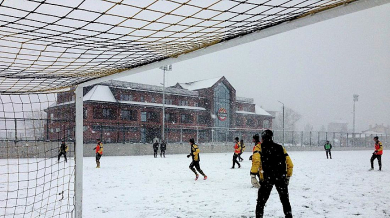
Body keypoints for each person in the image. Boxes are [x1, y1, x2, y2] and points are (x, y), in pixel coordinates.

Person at [251, 130, 294, 218]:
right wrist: (288, 176)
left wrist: (253, 175)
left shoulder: (259, 147)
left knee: (261, 202)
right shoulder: (280, 147)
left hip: (267, 177)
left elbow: (256, 161)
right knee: (285, 200)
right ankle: (288, 216)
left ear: (262, 138)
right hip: (280, 177)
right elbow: (290, 164)